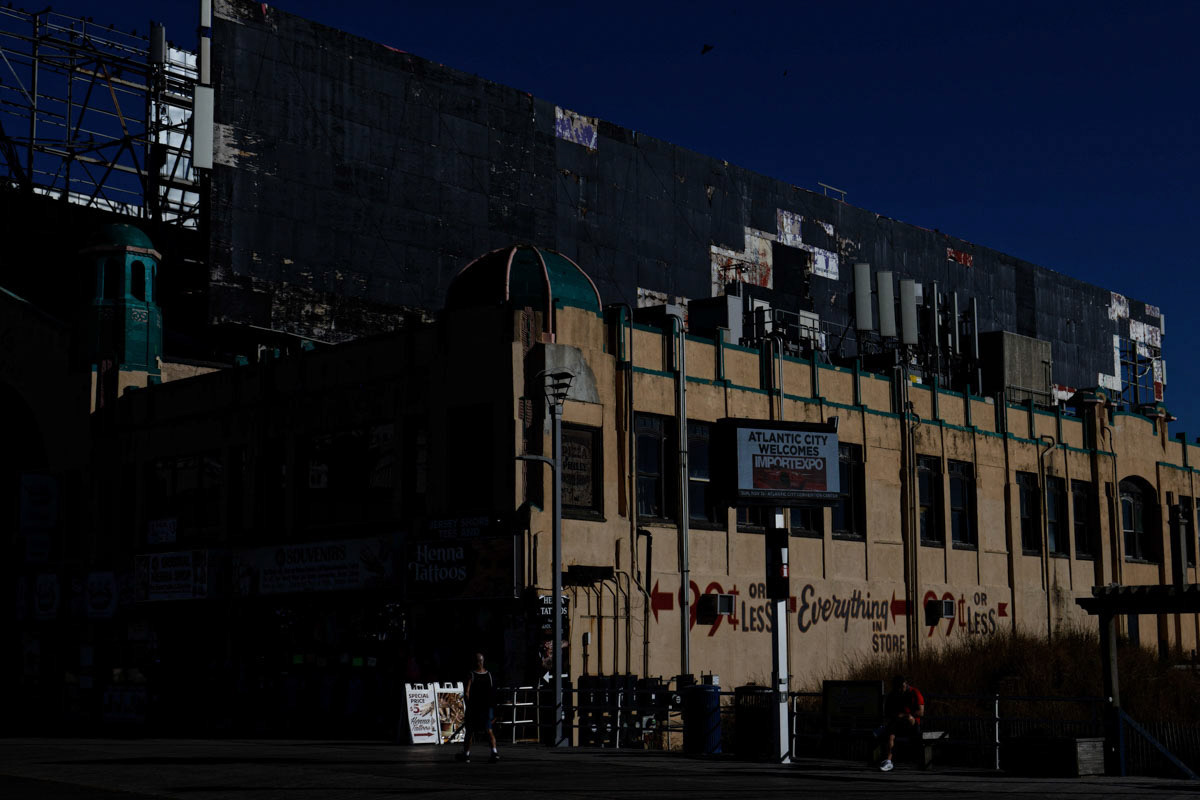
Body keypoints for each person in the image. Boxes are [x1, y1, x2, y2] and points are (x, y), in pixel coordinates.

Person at [458, 652, 498, 763]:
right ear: (482, 661)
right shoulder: (489, 675)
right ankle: (494, 752)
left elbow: (467, 692)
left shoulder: (471, 675)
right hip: (486, 707)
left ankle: (466, 755)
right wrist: (493, 709)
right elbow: (492, 693)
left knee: (470, 731)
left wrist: (468, 706)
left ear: (476, 662)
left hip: (474, 707)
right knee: (489, 730)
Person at [879, 674, 924, 772]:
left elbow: (921, 712)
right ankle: (888, 761)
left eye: (902, 686)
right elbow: (887, 712)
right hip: (897, 722)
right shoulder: (892, 694)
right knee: (890, 735)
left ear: (905, 683)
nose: (900, 689)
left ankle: (917, 759)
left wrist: (904, 715)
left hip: (912, 724)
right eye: (898, 687)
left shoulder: (914, 692)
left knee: (909, 718)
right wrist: (895, 716)